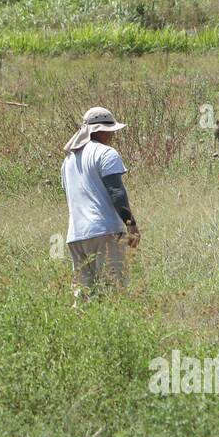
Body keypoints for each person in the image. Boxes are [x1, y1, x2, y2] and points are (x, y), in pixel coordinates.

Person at [60, 107, 140, 302]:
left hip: (76, 236)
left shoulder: (68, 161)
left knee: (84, 296)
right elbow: (117, 193)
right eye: (110, 130)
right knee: (114, 291)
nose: (112, 135)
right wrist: (131, 224)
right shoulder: (106, 153)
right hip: (105, 231)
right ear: (99, 130)